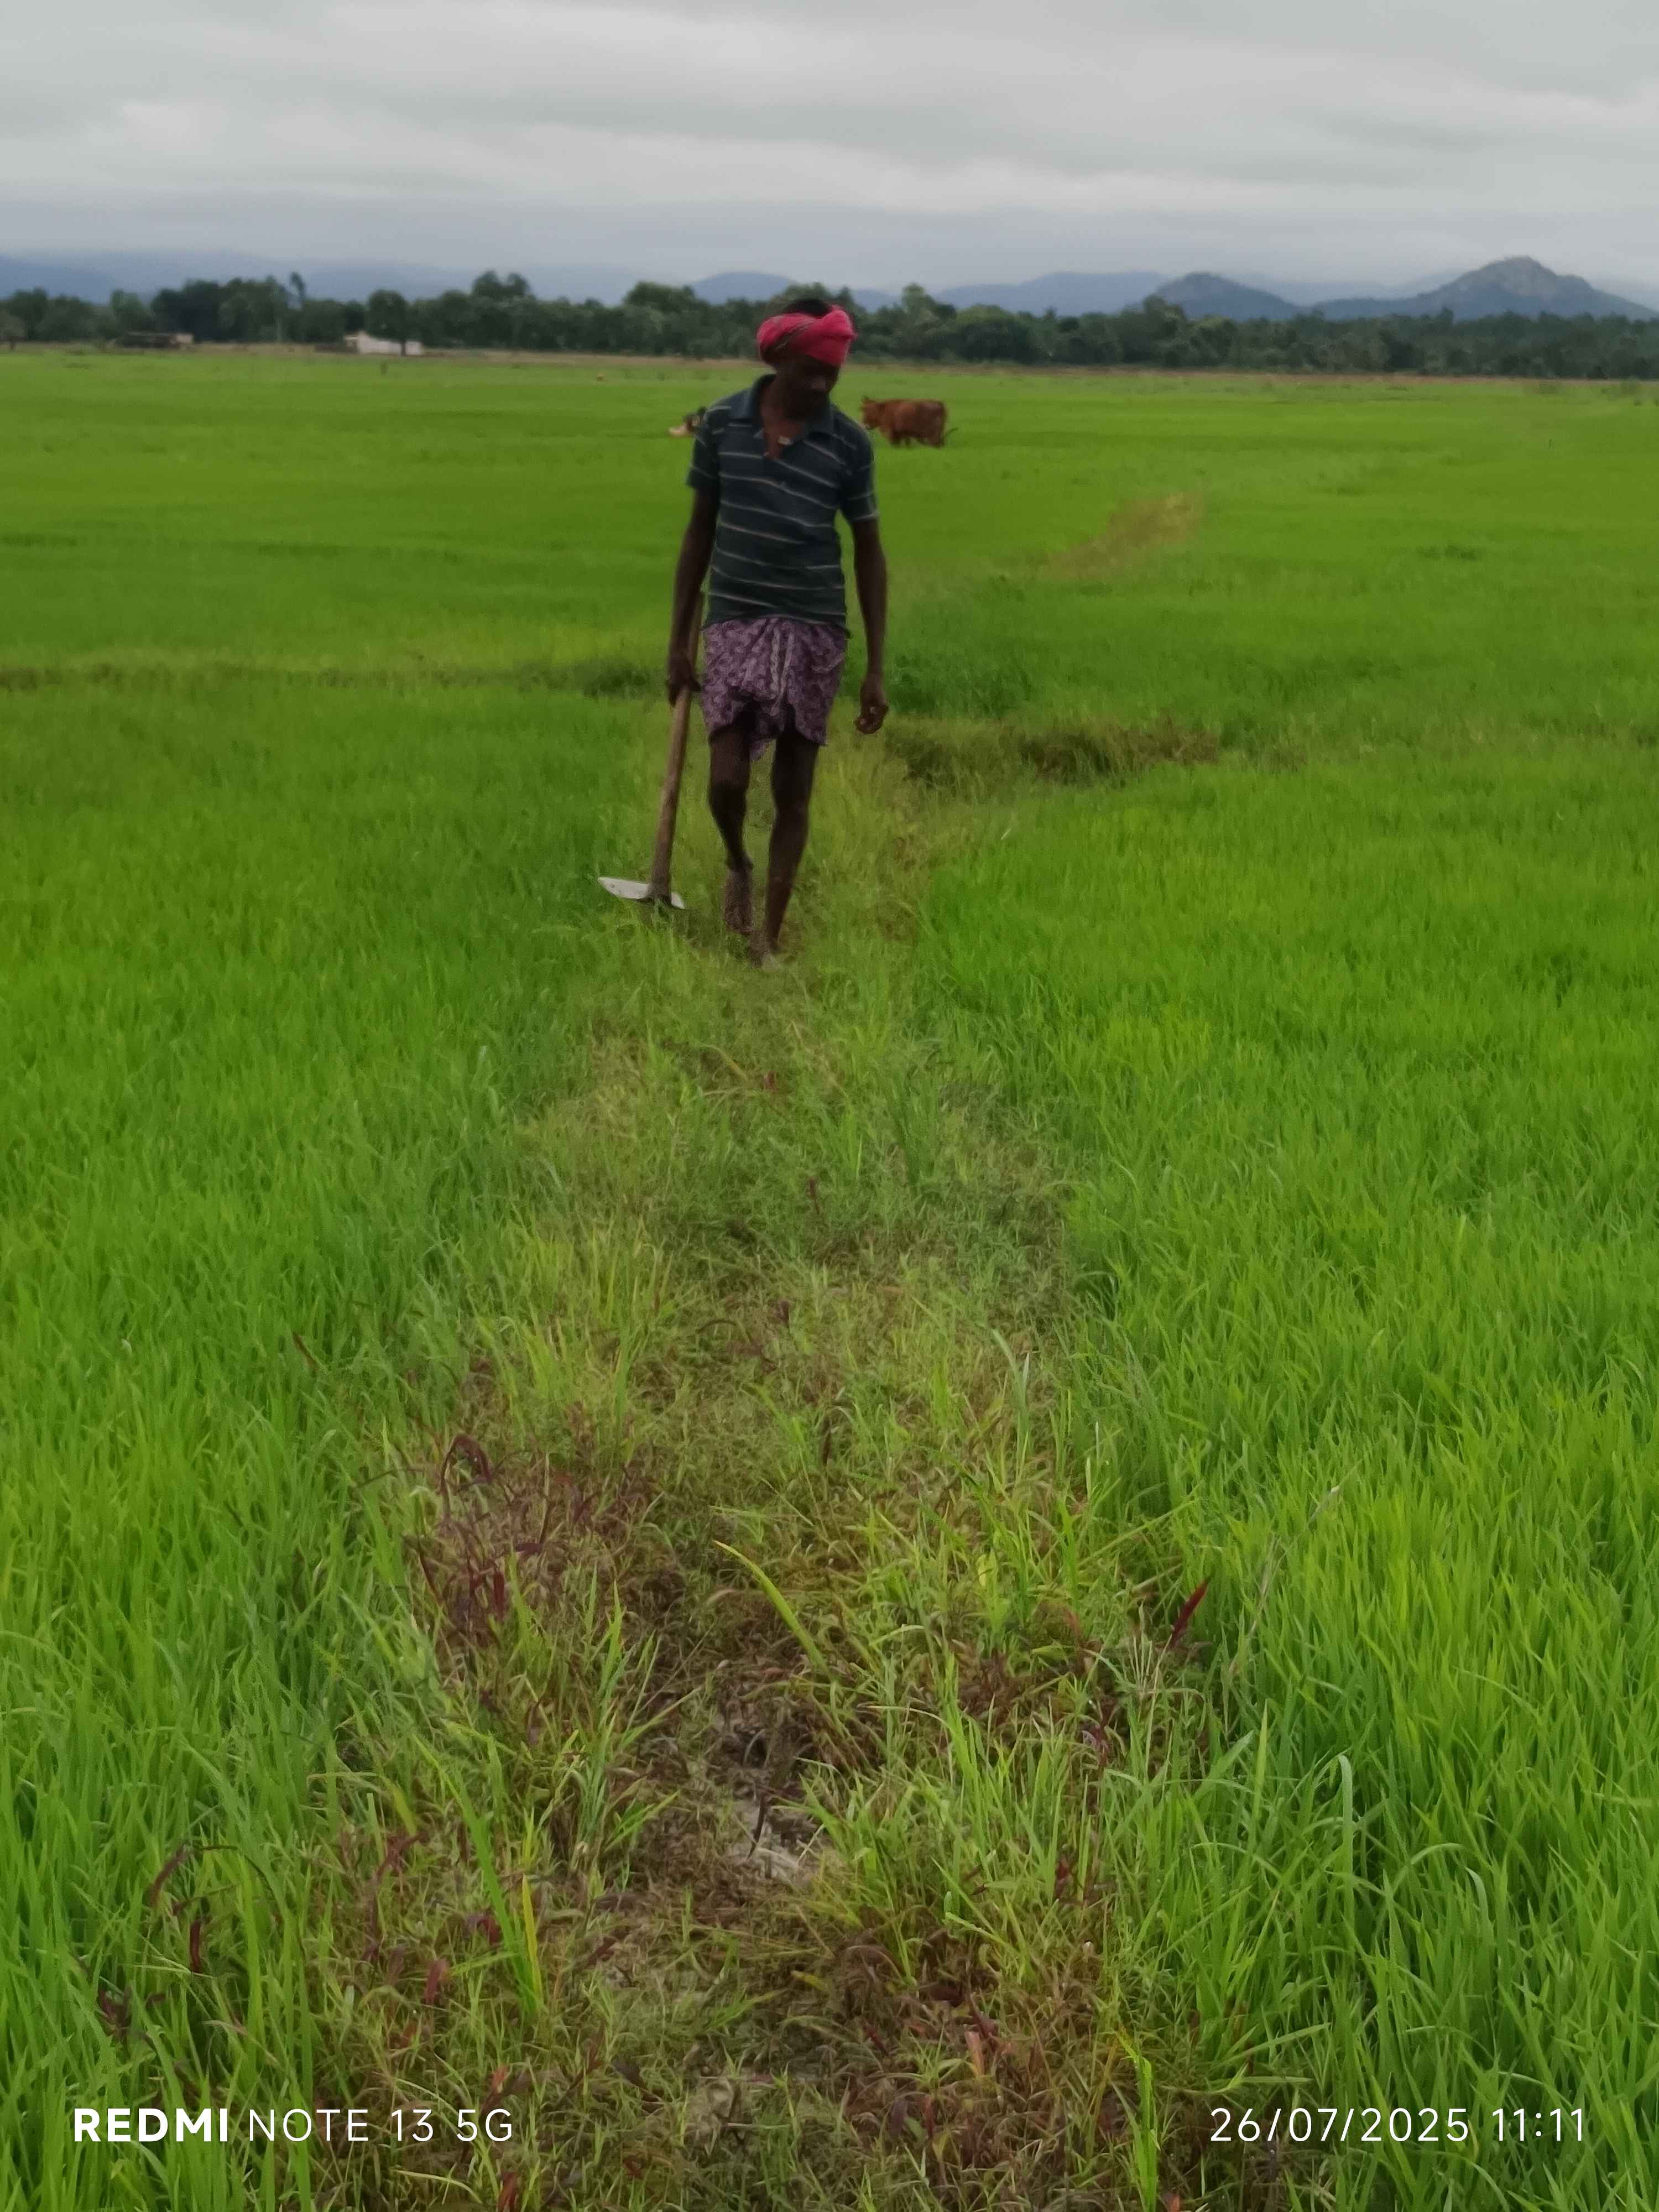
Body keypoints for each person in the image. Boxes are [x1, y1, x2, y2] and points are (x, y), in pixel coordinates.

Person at [666, 297, 889, 964]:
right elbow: (699, 531)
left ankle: (769, 936)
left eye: (832, 373)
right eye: (809, 369)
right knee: (727, 779)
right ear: (778, 357)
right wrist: (677, 641)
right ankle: (738, 861)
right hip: (735, 615)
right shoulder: (721, 424)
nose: (821, 384)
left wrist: (877, 666)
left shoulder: (849, 444)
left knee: (794, 788)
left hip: (815, 624)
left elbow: (869, 551)